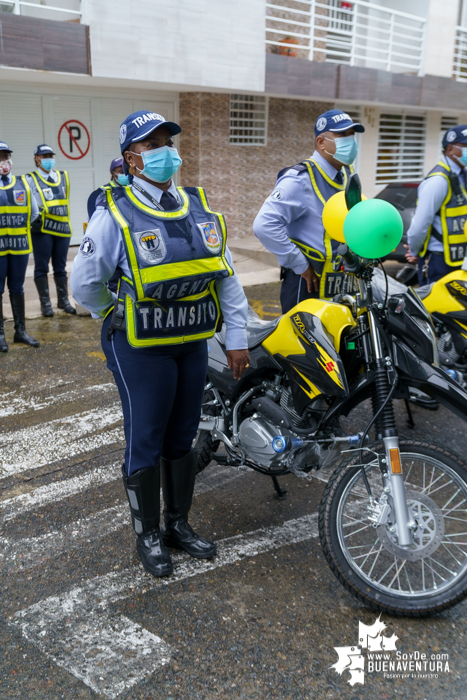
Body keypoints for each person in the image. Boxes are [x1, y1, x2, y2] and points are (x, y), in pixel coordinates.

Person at [71, 111, 249, 577]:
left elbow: (225, 275)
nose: (165, 152)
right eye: (152, 146)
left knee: (183, 436)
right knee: (146, 437)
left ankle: (177, 525)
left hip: (191, 343)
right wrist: (108, 310)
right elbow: (85, 282)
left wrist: (236, 336)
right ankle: (147, 535)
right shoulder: (114, 211)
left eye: (168, 142)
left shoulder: (198, 207)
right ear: (132, 160)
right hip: (140, 348)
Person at [253, 109, 365, 313]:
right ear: (321, 142)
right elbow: (264, 225)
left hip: (341, 279)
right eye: (342, 135)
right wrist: (300, 264)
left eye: (351, 135)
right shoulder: (300, 179)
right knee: (305, 343)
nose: (350, 141)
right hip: (307, 282)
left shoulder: (347, 174)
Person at [405, 125, 467, 285]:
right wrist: (414, 250)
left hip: (461, 259)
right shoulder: (438, 181)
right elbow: (420, 224)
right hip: (441, 262)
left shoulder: (462, 175)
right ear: (451, 149)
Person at [26, 144, 75, 317]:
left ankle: (63, 301)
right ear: (37, 158)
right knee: (41, 267)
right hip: (43, 230)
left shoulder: (63, 176)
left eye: (50, 155)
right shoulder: (30, 179)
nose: (48, 159)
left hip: (62, 228)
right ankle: (45, 304)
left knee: (60, 267)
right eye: (44, 156)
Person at [0, 141, 40, 352]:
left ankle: (20, 331)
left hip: (19, 248)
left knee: (17, 288)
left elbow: (34, 213)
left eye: (5, 156)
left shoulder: (22, 183)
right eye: (0, 157)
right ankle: (0, 335)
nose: (3, 161)